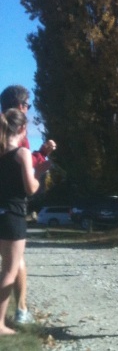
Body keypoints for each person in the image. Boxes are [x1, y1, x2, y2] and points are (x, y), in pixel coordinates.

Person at [0, 85, 57, 325]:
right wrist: (41, 162)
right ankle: (15, 315)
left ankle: (20, 310)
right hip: (12, 208)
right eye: (28, 106)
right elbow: (23, 168)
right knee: (12, 265)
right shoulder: (16, 136)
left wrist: (39, 155)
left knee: (11, 262)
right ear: (20, 107)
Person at [0, 109, 40, 335]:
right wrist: (39, 174)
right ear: (23, 129)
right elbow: (30, 188)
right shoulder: (22, 153)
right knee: (9, 271)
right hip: (14, 216)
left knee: (5, 268)